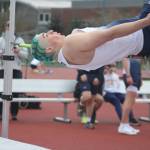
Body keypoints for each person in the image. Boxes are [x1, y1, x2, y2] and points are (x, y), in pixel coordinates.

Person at [31, 1, 150, 135]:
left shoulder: (68, 58)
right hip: (140, 32)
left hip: (138, 41)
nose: (51, 31)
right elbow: (110, 34)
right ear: (49, 49)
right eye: (46, 35)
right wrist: (146, 21)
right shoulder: (71, 44)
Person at [0, 21, 29, 120]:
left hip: (16, 69)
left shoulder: (20, 40)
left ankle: (14, 114)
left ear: (14, 27)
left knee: (15, 92)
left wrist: (18, 51)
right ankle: (0, 114)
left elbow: (26, 55)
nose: (9, 27)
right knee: (1, 92)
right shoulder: (1, 40)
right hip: (3, 69)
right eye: (8, 25)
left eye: (11, 26)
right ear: (5, 27)